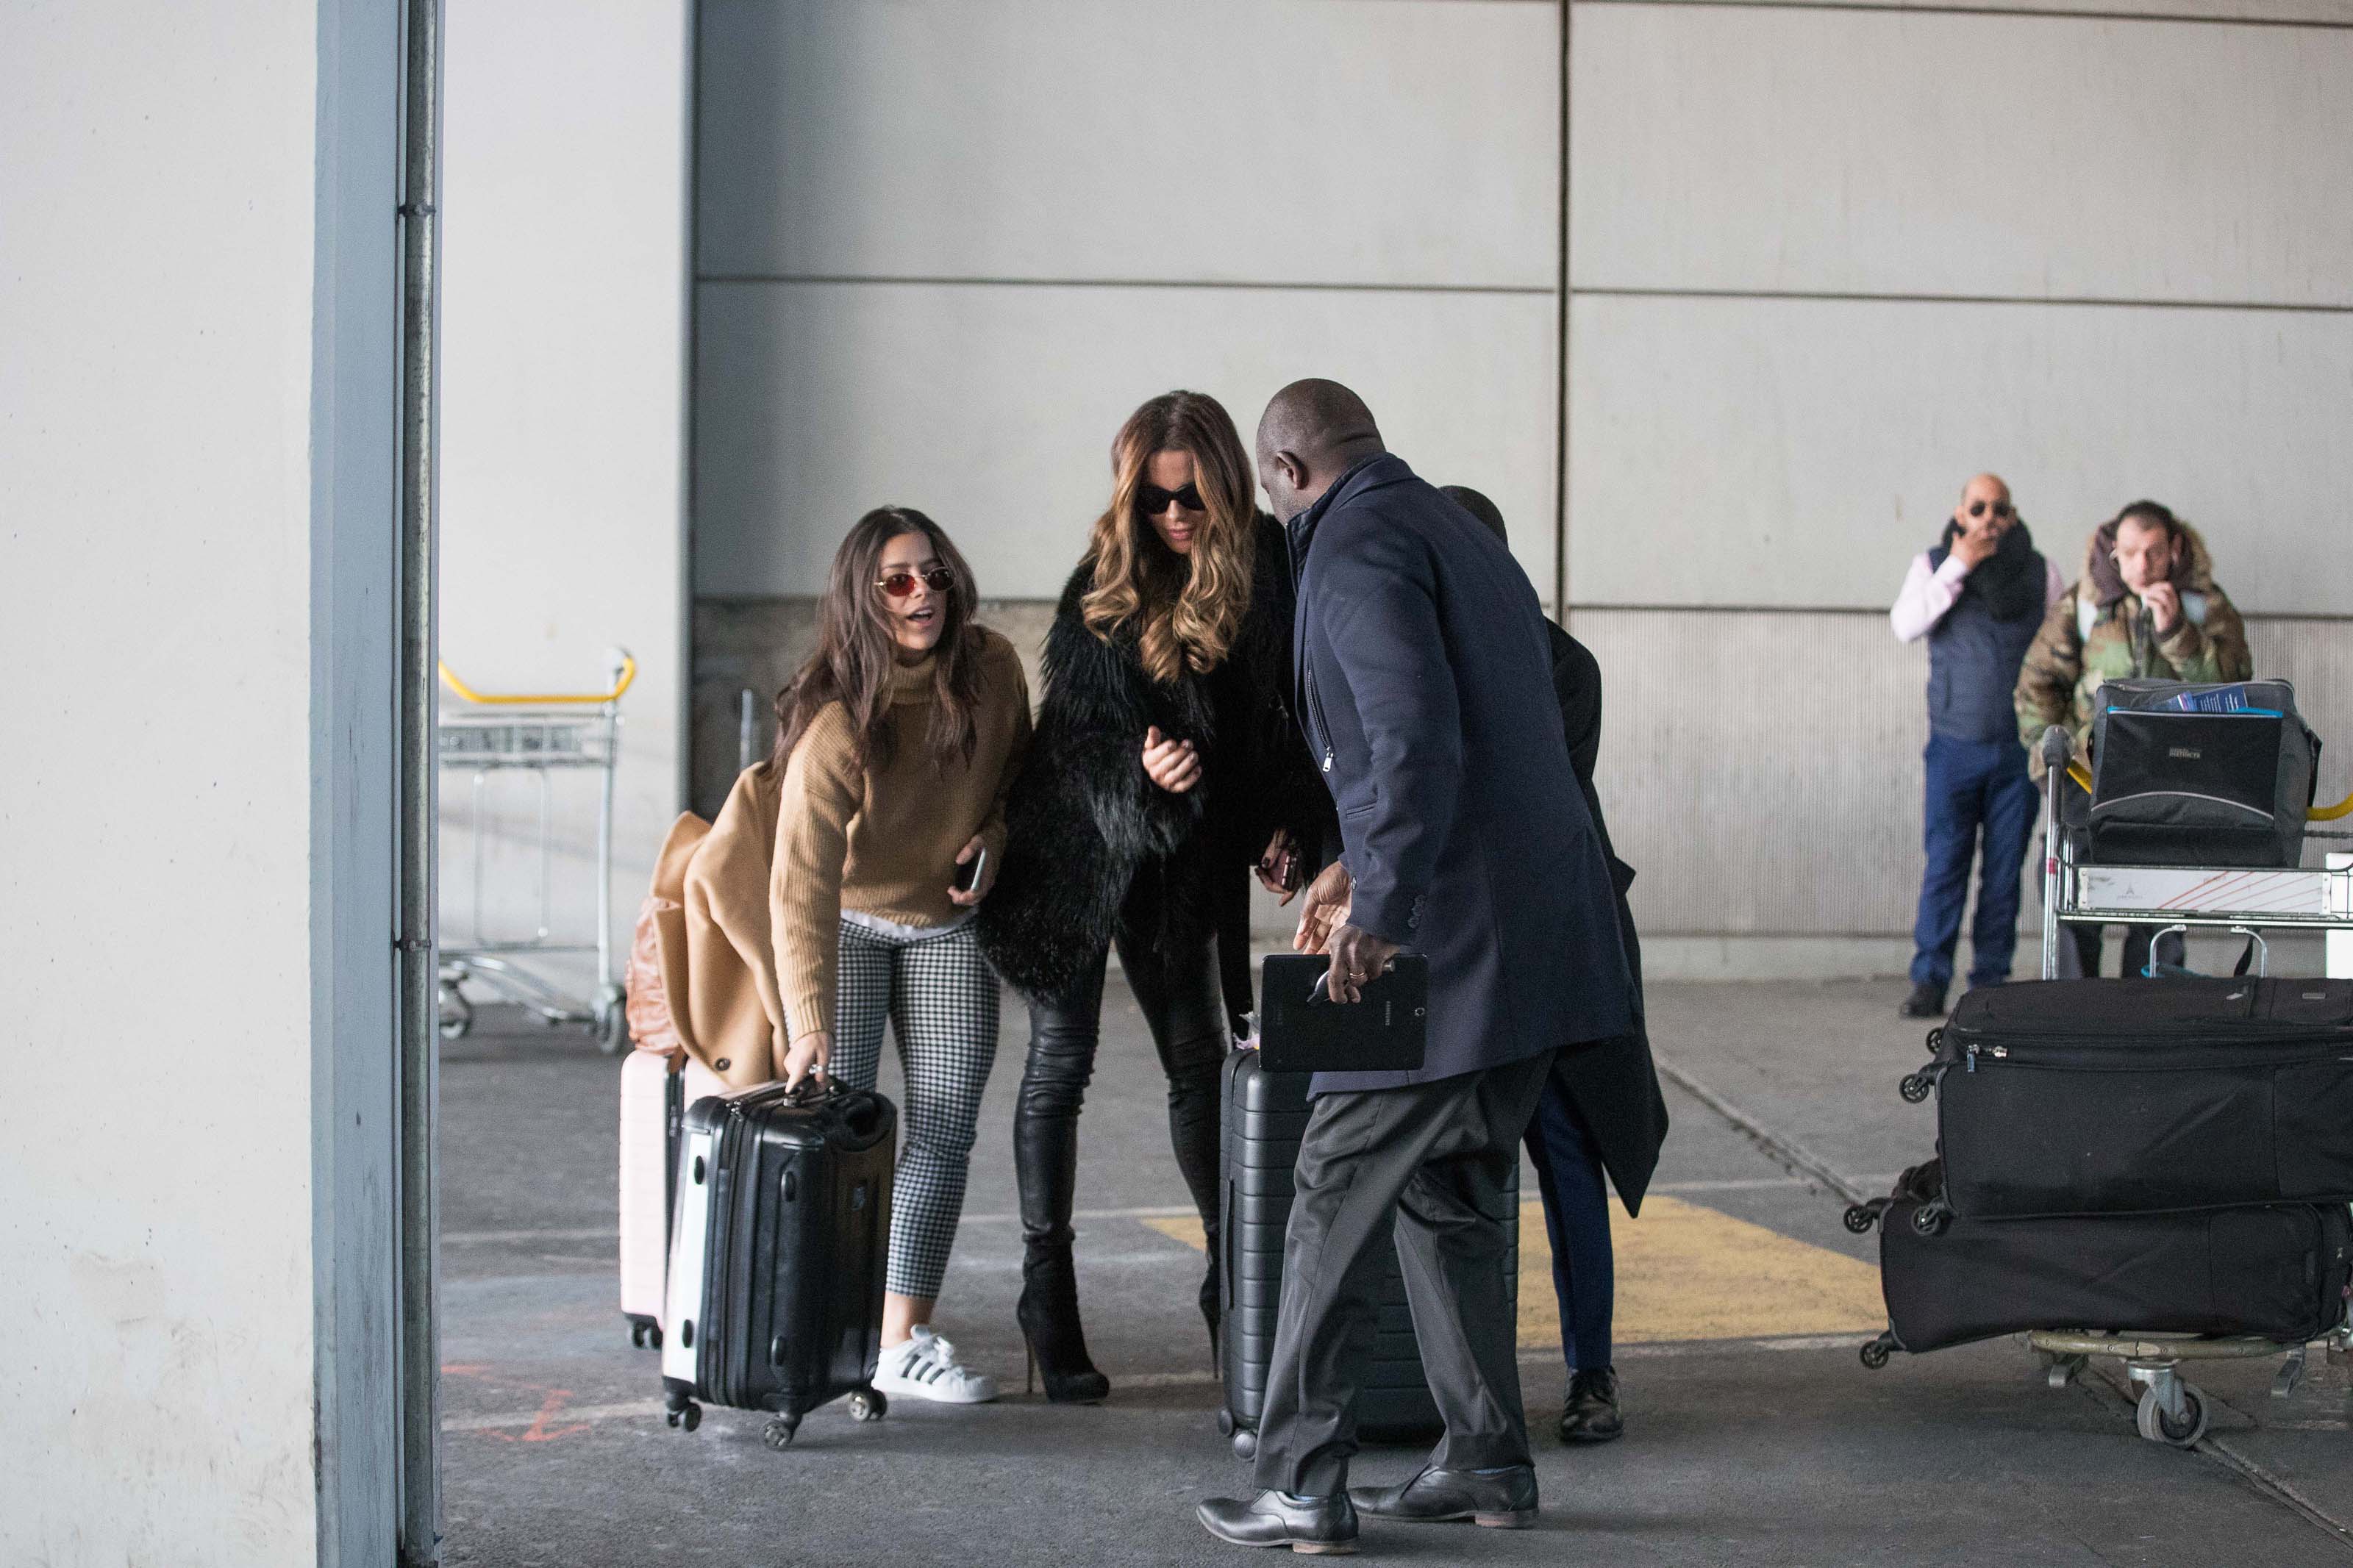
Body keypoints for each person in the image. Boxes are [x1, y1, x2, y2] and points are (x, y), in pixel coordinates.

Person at [1197, 382, 1633, 1555]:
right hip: (1543, 942)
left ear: (1285, 472)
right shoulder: (1456, 533)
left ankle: (1298, 1480)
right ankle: (1487, 1459)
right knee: (1448, 1190)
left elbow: (1407, 734)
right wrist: (1352, 866)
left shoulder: (1354, 548)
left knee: (1334, 1179)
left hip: (1453, 944)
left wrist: (1377, 904)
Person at [976, 390, 1330, 1403]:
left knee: (1199, 1065)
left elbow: (1283, 724)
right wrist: (1139, 762)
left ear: (1224, 484)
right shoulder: (1106, 575)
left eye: (1192, 498)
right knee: (1061, 1066)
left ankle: (1235, 1281)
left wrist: (1285, 822)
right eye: (1156, 500)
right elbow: (1074, 728)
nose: (1174, 517)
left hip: (1187, 862)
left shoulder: (1272, 572)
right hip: (1079, 853)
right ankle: (1047, 1297)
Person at [765, 506, 1033, 1403]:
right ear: (863, 597)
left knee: (946, 1124)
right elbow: (798, 881)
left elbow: (1015, 783)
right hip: (844, 922)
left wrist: (991, 838)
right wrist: (805, 1023)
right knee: (838, 1132)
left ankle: (897, 1340)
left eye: (934, 573)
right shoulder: (838, 721)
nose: (922, 594)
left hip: (944, 925)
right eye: (896, 581)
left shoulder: (992, 670)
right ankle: (813, 1322)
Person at [1440, 484, 1668, 1447]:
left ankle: (1591, 1373)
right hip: (1462, 951)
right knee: (1457, 1170)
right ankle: (1467, 1389)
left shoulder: (1561, 666)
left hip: (1555, 943)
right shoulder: (1415, 658)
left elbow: (1519, 795)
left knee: (1568, 1157)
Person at [2015, 499, 2252, 978]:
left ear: (2175, 549)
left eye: (2153, 552)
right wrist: (2052, 758)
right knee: (2074, 904)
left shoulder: (2206, 606)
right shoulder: (2085, 603)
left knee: (2161, 912)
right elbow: (2035, 684)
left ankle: (2150, 1018)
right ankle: (2076, 1020)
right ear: (2114, 553)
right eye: (2130, 553)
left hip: (2174, 784)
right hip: (2088, 779)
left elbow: (2235, 692)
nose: (2141, 566)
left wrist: (2176, 633)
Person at [1888, 474, 2068, 1018]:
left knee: (2004, 871)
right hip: (1953, 747)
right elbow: (1905, 624)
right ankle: (1930, 978)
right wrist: (1959, 565)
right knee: (1945, 864)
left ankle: (1989, 982)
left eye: (2000, 509)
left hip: (2018, 753)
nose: (1990, 517)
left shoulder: (2041, 572)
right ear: (1961, 513)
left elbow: (2061, 647)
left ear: (2012, 518)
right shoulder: (1933, 564)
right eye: (1979, 507)